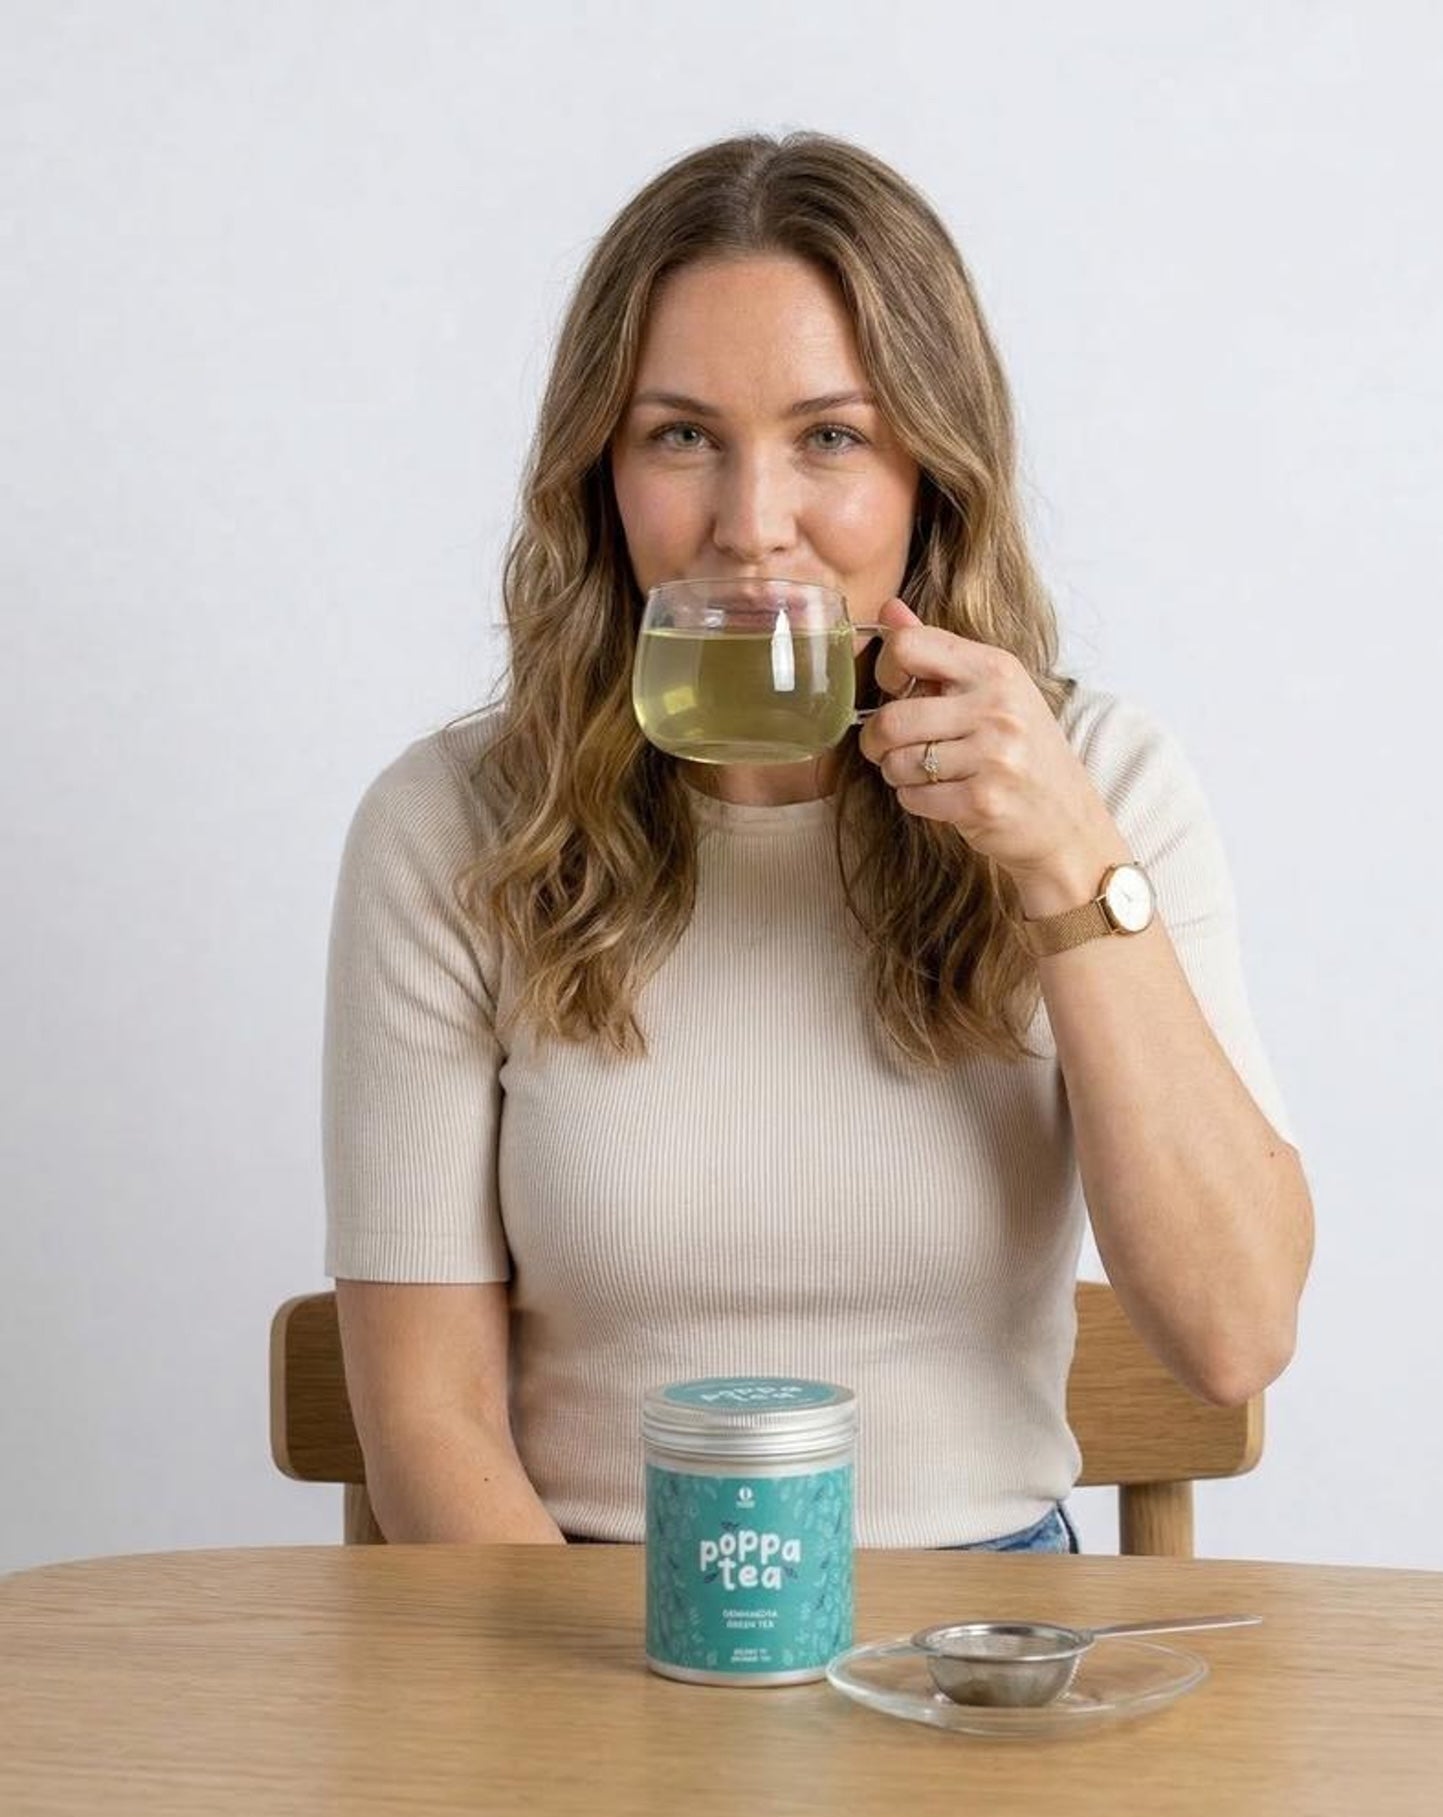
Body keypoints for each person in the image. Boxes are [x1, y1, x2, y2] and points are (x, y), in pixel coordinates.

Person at [322, 131, 1314, 1553]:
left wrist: (1069, 875)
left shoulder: (1099, 784)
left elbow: (1233, 1338)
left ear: (934, 473)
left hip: (978, 1643)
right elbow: (429, 1420)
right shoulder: (456, 824)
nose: (751, 524)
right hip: (583, 1630)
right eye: (681, 437)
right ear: (600, 469)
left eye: (830, 438)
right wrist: (620, 1738)